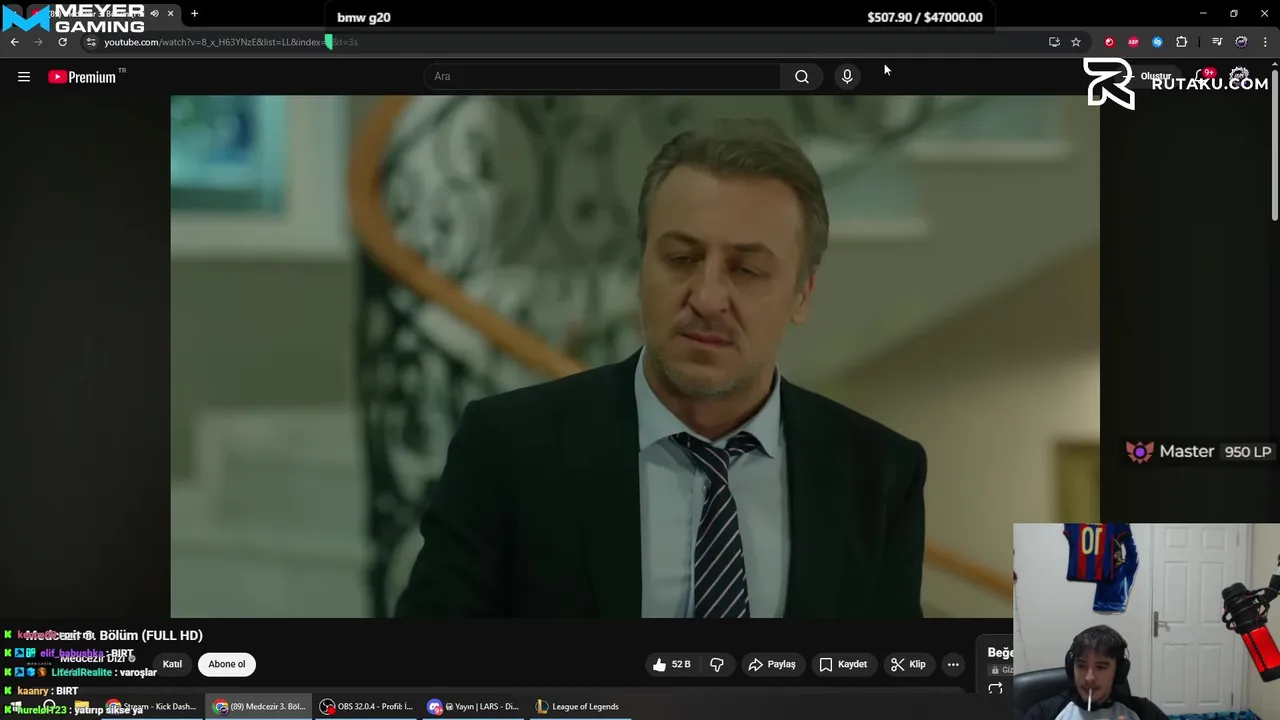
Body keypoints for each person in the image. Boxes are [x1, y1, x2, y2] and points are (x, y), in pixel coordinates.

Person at [395, 119, 927, 618]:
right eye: (681, 259)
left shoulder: (879, 475)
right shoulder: (508, 448)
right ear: (641, 267)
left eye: (746, 269)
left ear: (802, 294)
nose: (708, 298)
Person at [1021, 625, 1170, 720]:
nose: (1089, 678)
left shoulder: (1142, 711)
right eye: (1081, 665)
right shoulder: (1045, 713)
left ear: (1119, 671)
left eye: (1101, 667)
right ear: (1071, 667)